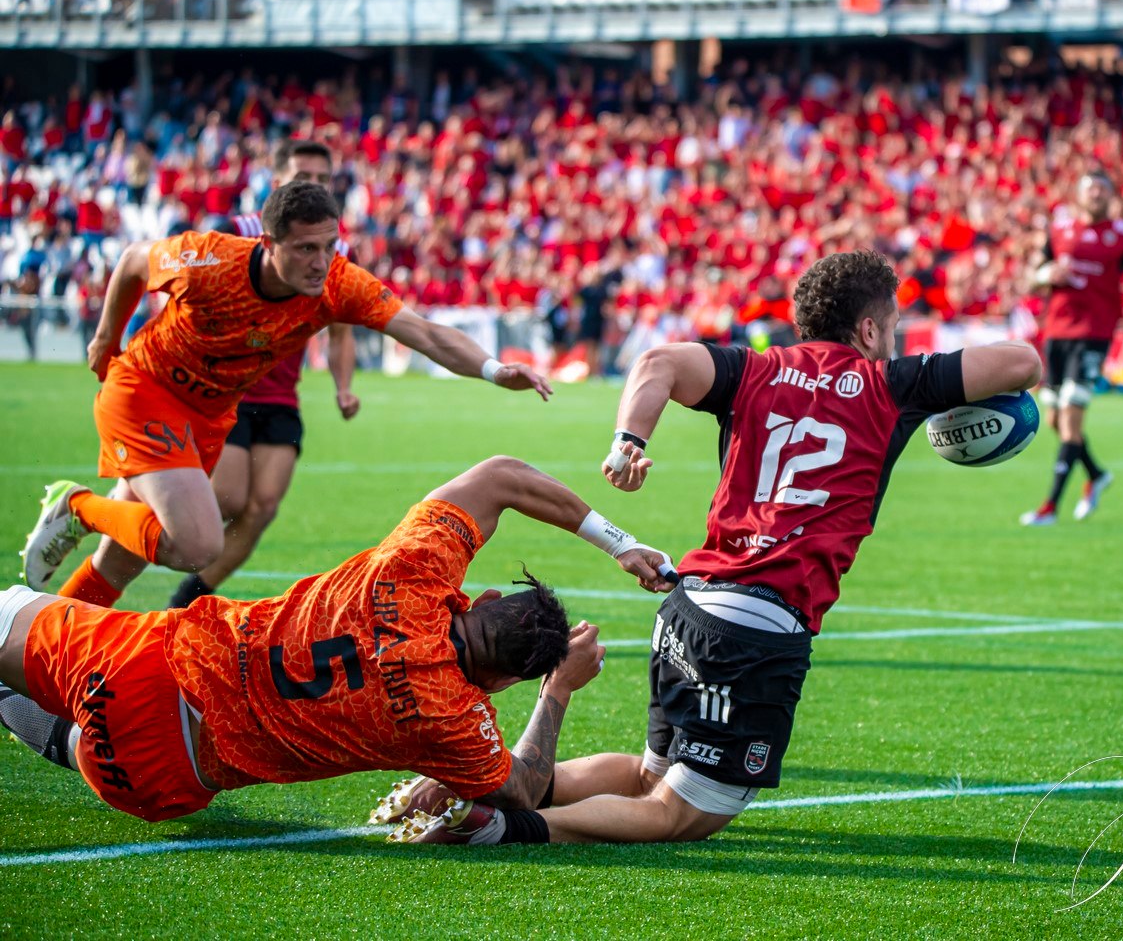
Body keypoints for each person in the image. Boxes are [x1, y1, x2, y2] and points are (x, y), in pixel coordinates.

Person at [379, 249, 1041, 846]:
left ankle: (470, 788)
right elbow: (1024, 363)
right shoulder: (891, 383)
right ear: (869, 329)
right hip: (759, 627)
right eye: (888, 327)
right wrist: (921, 383)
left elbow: (659, 361)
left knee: (648, 776)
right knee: (679, 814)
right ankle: (502, 825)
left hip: (690, 606)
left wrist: (629, 442)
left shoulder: (754, 369)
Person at [0, 455, 674, 822]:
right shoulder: (455, 723)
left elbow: (501, 476)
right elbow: (522, 792)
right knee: (89, 741)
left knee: (16, 619)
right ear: (500, 682)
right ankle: (51, 727)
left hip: (152, 667)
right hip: (160, 779)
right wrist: (558, 690)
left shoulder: (412, 570)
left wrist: (619, 544)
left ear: (487, 599)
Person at [21, 181, 553, 606]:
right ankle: (77, 506)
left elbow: (427, 333)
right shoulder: (208, 260)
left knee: (121, 561)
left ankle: (37, 660)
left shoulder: (338, 283)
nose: (320, 262)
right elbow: (134, 262)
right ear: (269, 244)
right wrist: (105, 337)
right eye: (305, 249)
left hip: (208, 415)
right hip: (145, 391)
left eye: (328, 246)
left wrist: (491, 368)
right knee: (196, 543)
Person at [170, 141, 360, 609]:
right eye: (303, 176)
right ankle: (121, 523)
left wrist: (343, 387)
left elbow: (340, 331)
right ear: (276, 181)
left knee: (263, 507)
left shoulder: (336, 251)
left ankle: (185, 603)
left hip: (280, 397)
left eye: (321, 178)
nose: (313, 185)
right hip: (227, 390)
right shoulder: (236, 232)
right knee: (230, 500)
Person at [1020, 171, 1123, 526]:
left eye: (1102, 188)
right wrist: (1047, 276)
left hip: (1094, 334)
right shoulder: (1059, 231)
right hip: (1056, 333)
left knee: (1071, 420)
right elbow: (1031, 280)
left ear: (1110, 195)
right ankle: (1096, 474)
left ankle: (1050, 507)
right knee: (1052, 419)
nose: (1095, 193)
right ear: (1078, 195)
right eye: (1089, 188)